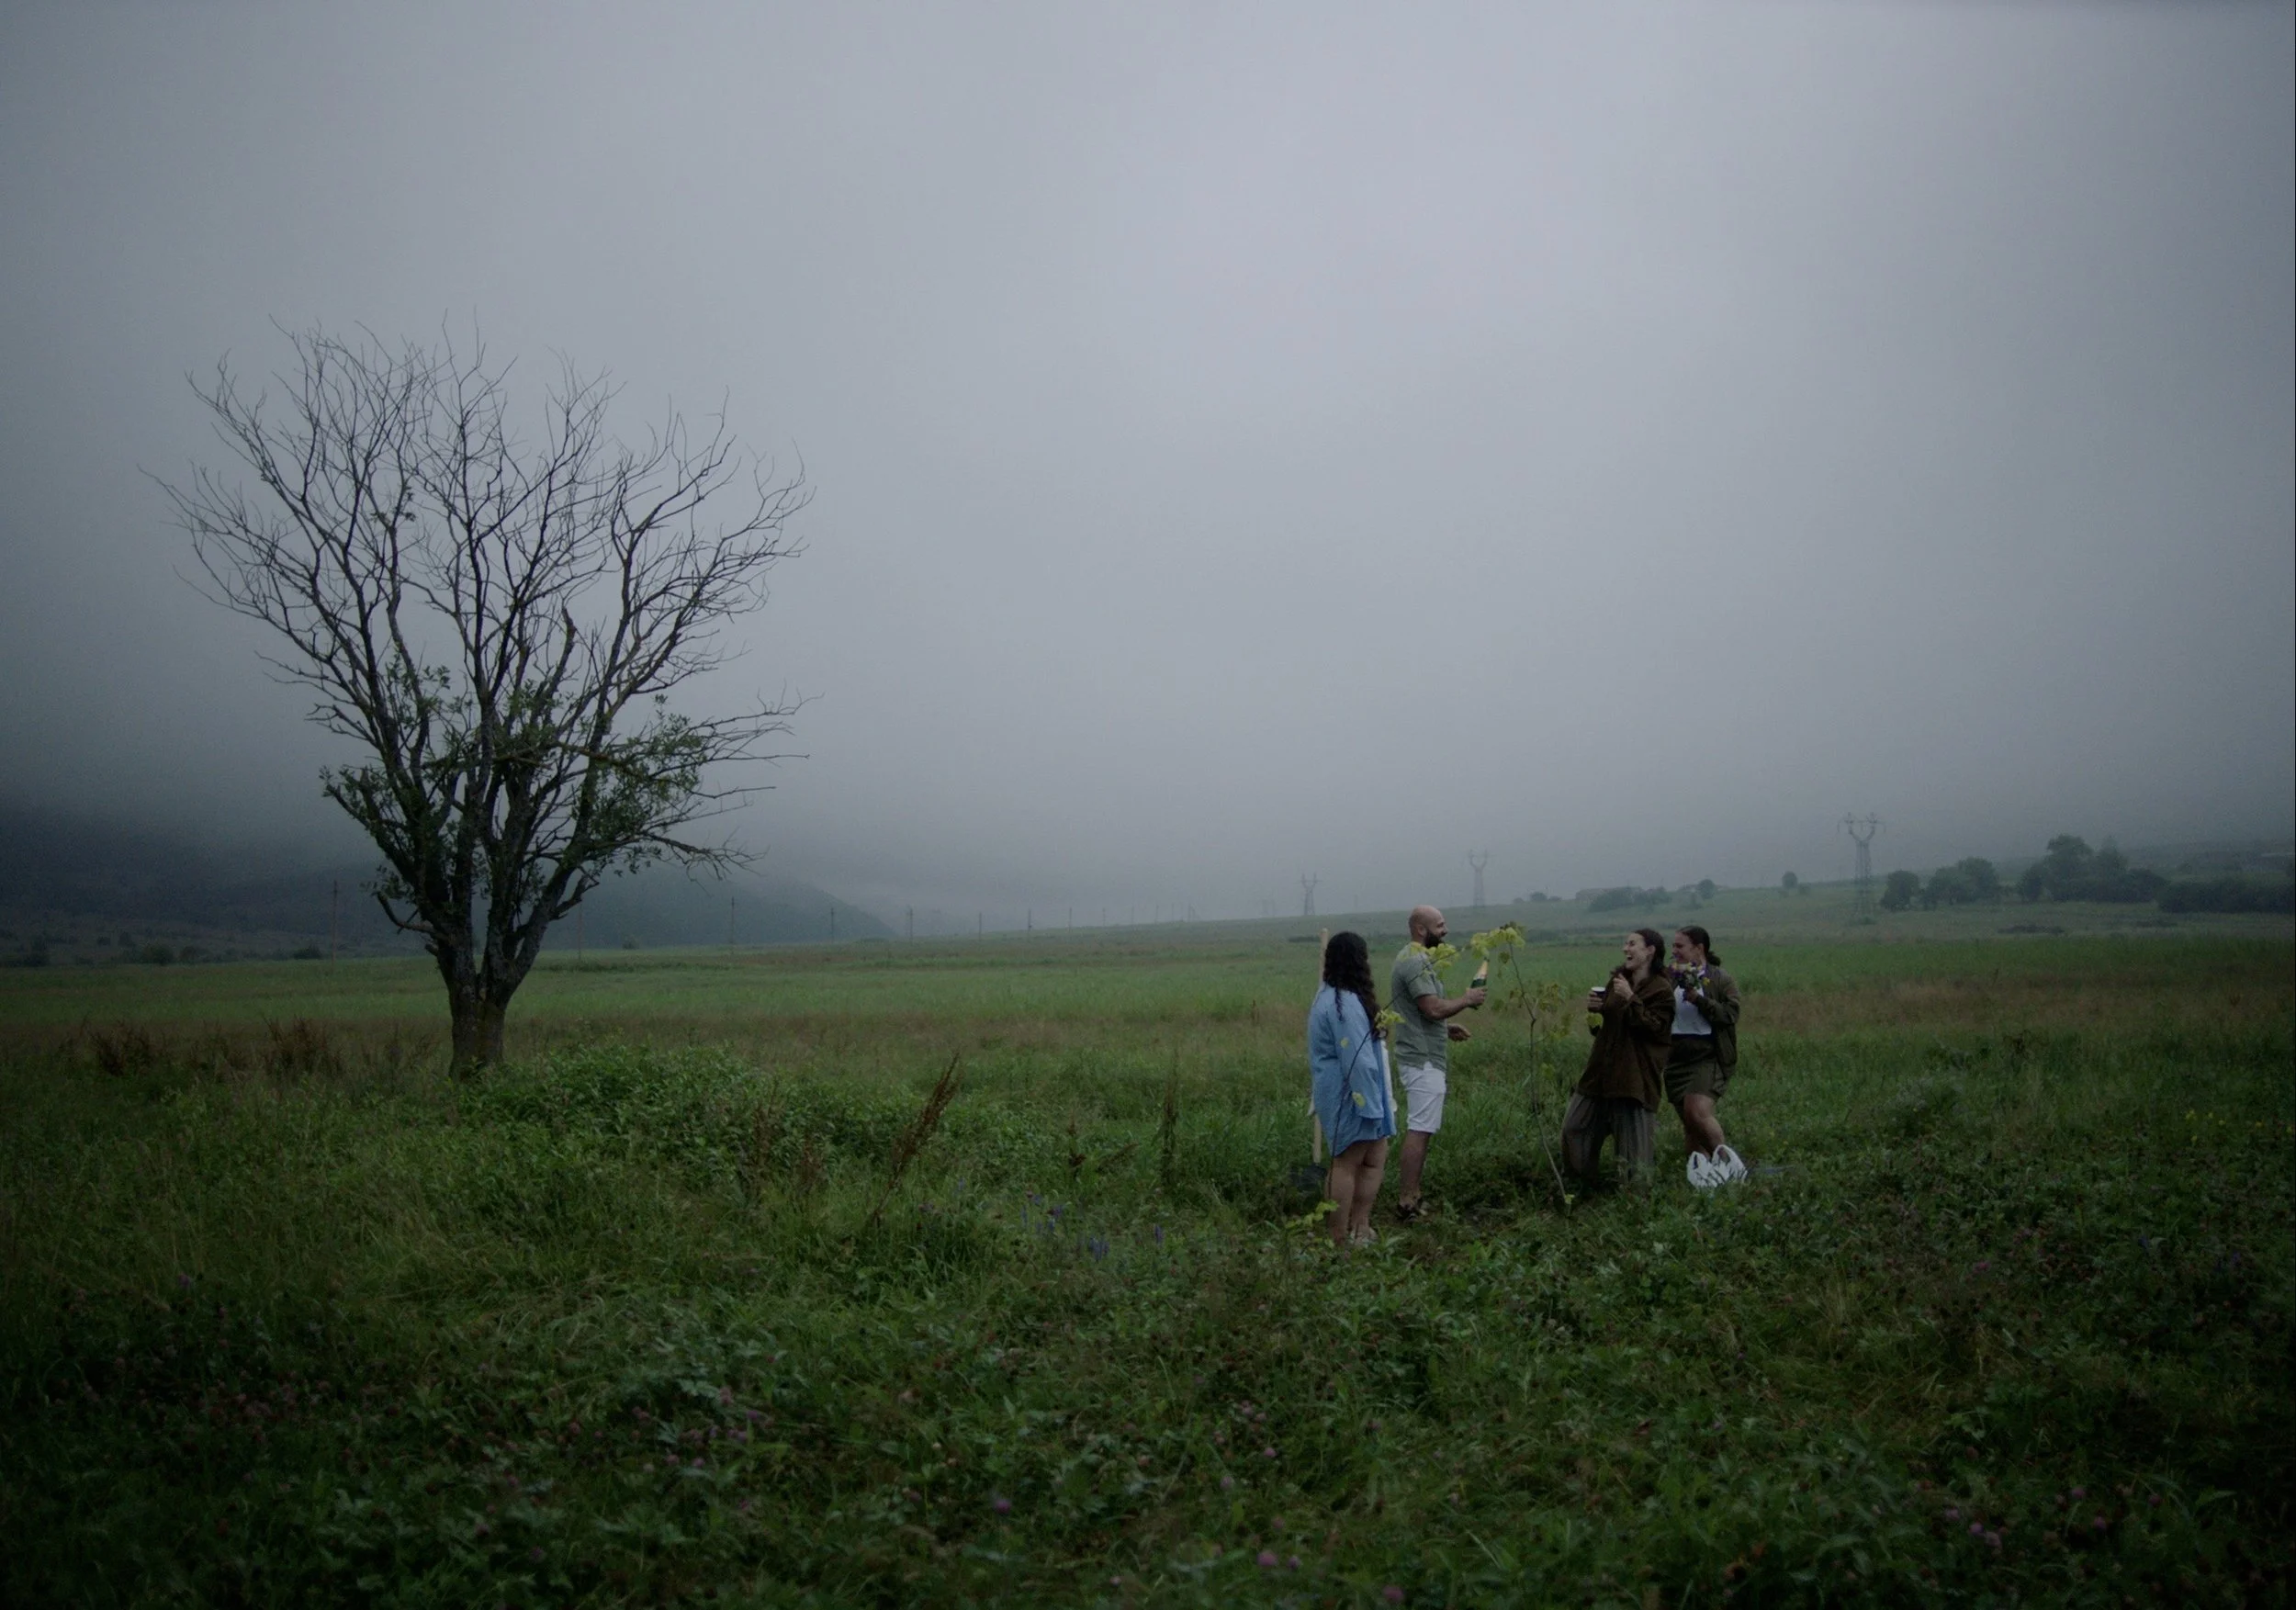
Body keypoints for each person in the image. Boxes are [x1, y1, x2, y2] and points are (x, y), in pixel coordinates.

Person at [1388, 906, 1485, 1221]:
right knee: (1419, 1128)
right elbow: (1431, 1008)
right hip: (1422, 1059)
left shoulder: (1418, 958)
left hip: (1425, 1053)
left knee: (1424, 1127)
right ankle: (1407, 1202)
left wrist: (1444, 1028)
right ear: (1421, 929)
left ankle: (1414, 1195)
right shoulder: (1414, 962)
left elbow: (1422, 1014)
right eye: (1440, 925)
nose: (1445, 931)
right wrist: (1467, 1000)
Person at [1309, 931, 1400, 1248]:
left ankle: (1361, 1227)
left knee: (1375, 1157)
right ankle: (1339, 1237)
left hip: (1363, 1091)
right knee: (1347, 1162)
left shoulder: (1337, 997)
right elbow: (1357, 1060)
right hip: (1352, 1094)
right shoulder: (1341, 1005)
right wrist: (1369, 1104)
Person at [1561, 928, 1671, 1190]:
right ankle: (1581, 1188)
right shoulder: (1618, 981)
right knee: (1574, 1128)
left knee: (1633, 1148)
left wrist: (1630, 998)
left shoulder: (1661, 990)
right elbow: (1606, 1028)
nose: (1625, 949)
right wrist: (1597, 1012)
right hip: (1600, 1071)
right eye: (1625, 944)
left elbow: (1656, 1029)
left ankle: (1635, 1199)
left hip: (1633, 1078)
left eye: (1632, 944)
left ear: (1650, 951)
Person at [1666, 925, 1746, 1185]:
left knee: (1697, 1111)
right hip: (1675, 1060)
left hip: (1707, 1057)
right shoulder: (1669, 976)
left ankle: (1732, 1169)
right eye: (1673, 945)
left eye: (1680, 945)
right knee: (1691, 1125)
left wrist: (1698, 1000)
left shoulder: (1720, 979)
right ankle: (1704, 1180)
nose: (1674, 950)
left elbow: (1730, 1015)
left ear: (1699, 948)